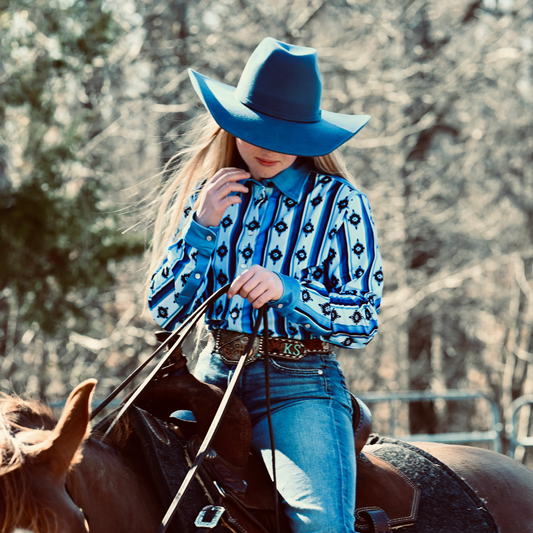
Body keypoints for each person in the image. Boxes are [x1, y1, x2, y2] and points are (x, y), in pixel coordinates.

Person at [147, 37, 384, 533]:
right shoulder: (211, 195)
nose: (268, 146)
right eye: (256, 130)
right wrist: (202, 228)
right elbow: (164, 308)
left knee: (320, 525)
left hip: (300, 386)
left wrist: (289, 291)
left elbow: (362, 321)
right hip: (211, 375)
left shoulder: (340, 204)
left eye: (285, 134)